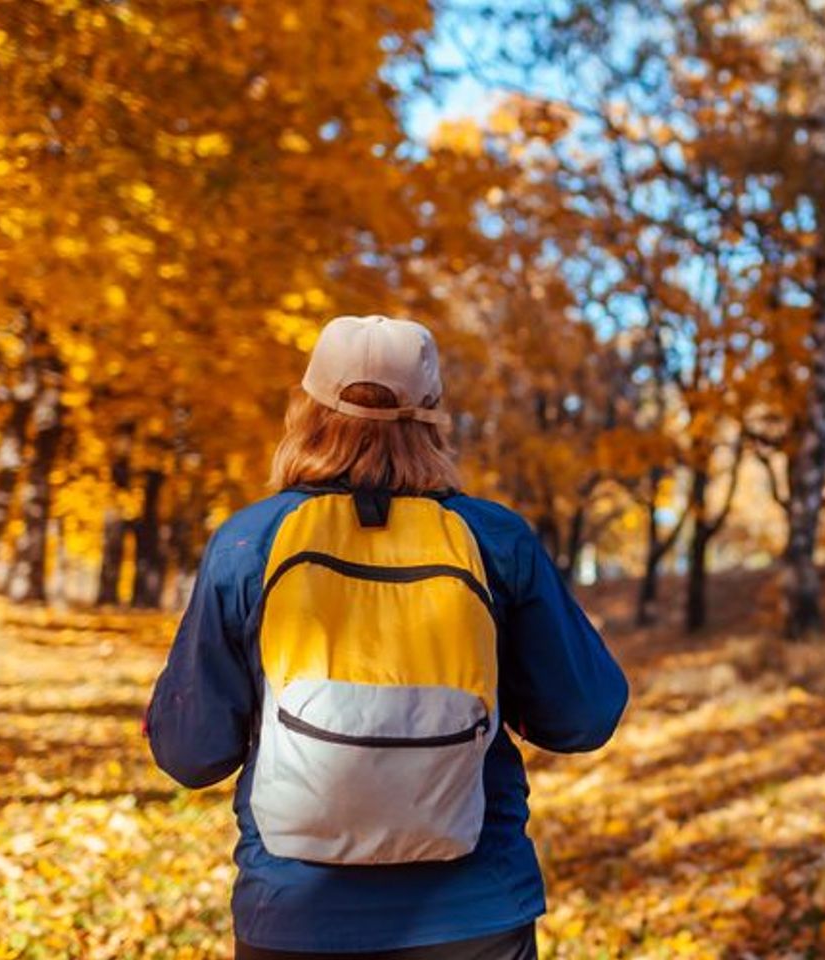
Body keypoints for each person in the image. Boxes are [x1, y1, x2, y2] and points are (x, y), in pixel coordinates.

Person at [146, 314, 628, 960]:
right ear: (432, 421)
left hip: (292, 918)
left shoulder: (248, 543)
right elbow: (586, 715)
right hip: (473, 914)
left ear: (308, 410)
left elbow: (190, 752)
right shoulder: (495, 541)